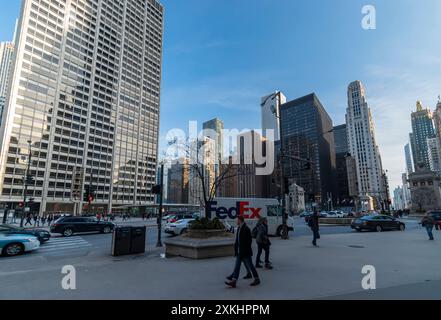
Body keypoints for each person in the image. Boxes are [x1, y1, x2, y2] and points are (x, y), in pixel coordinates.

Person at [225, 216, 260, 288]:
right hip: (240, 252)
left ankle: (257, 279)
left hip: (245, 252)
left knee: (250, 266)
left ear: (240, 220)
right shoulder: (239, 228)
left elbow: (249, 241)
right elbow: (236, 237)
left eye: (237, 220)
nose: (236, 221)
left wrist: (244, 251)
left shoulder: (246, 229)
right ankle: (234, 281)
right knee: (237, 266)